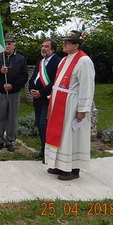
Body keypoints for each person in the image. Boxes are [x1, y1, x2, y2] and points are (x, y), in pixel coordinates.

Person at [45, 30, 95, 181]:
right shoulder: (64, 59)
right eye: (64, 41)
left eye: (67, 42)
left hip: (72, 104)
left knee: (71, 136)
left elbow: (87, 86)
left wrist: (83, 109)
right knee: (60, 136)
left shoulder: (84, 61)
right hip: (60, 101)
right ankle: (60, 164)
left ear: (76, 45)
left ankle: (73, 169)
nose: (64, 44)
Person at [0, 33, 28, 152]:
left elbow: (24, 76)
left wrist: (13, 85)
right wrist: (0, 72)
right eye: (5, 44)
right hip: (0, 91)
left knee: (12, 116)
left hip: (14, 92)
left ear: (14, 45)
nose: (7, 46)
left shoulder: (20, 59)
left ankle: (10, 140)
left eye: (9, 44)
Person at [28, 39, 61, 159]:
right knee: (39, 124)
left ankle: (49, 152)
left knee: (44, 124)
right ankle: (43, 149)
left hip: (48, 99)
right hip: (37, 99)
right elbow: (33, 78)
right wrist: (31, 89)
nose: (43, 48)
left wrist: (41, 92)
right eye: (42, 46)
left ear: (53, 49)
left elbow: (55, 82)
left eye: (46, 46)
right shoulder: (40, 62)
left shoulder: (58, 62)